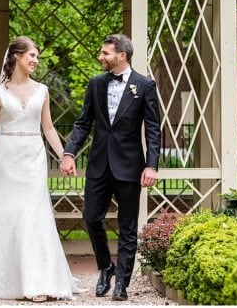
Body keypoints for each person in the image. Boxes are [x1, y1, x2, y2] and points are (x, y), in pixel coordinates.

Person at [0, 36, 85, 302]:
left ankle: (38, 280)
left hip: (33, 157)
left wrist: (65, 156)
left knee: (34, 213)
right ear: (16, 57)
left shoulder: (42, 91)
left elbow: (49, 128)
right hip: (7, 157)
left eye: (37, 57)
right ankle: (3, 278)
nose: (35, 61)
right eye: (31, 55)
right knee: (6, 212)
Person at [61, 33, 161, 301]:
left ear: (122, 55)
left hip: (129, 167)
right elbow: (83, 123)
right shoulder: (95, 84)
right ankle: (106, 266)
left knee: (128, 226)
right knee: (90, 218)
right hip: (99, 165)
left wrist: (152, 165)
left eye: (105, 53)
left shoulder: (144, 85)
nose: (100, 57)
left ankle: (122, 284)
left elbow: (153, 128)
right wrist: (69, 152)